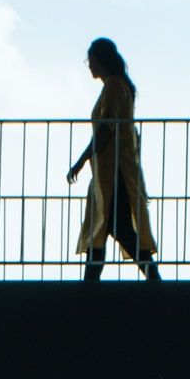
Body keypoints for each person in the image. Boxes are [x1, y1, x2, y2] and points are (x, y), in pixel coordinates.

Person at [68, 39, 161, 282]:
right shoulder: (121, 86)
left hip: (113, 174)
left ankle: (153, 279)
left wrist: (81, 161)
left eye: (90, 61)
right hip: (109, 174)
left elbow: (106, 130)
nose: (89, 67)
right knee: (104, 228)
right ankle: (92, 283)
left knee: (112, 228)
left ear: (98, 60)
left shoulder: (113, 87)